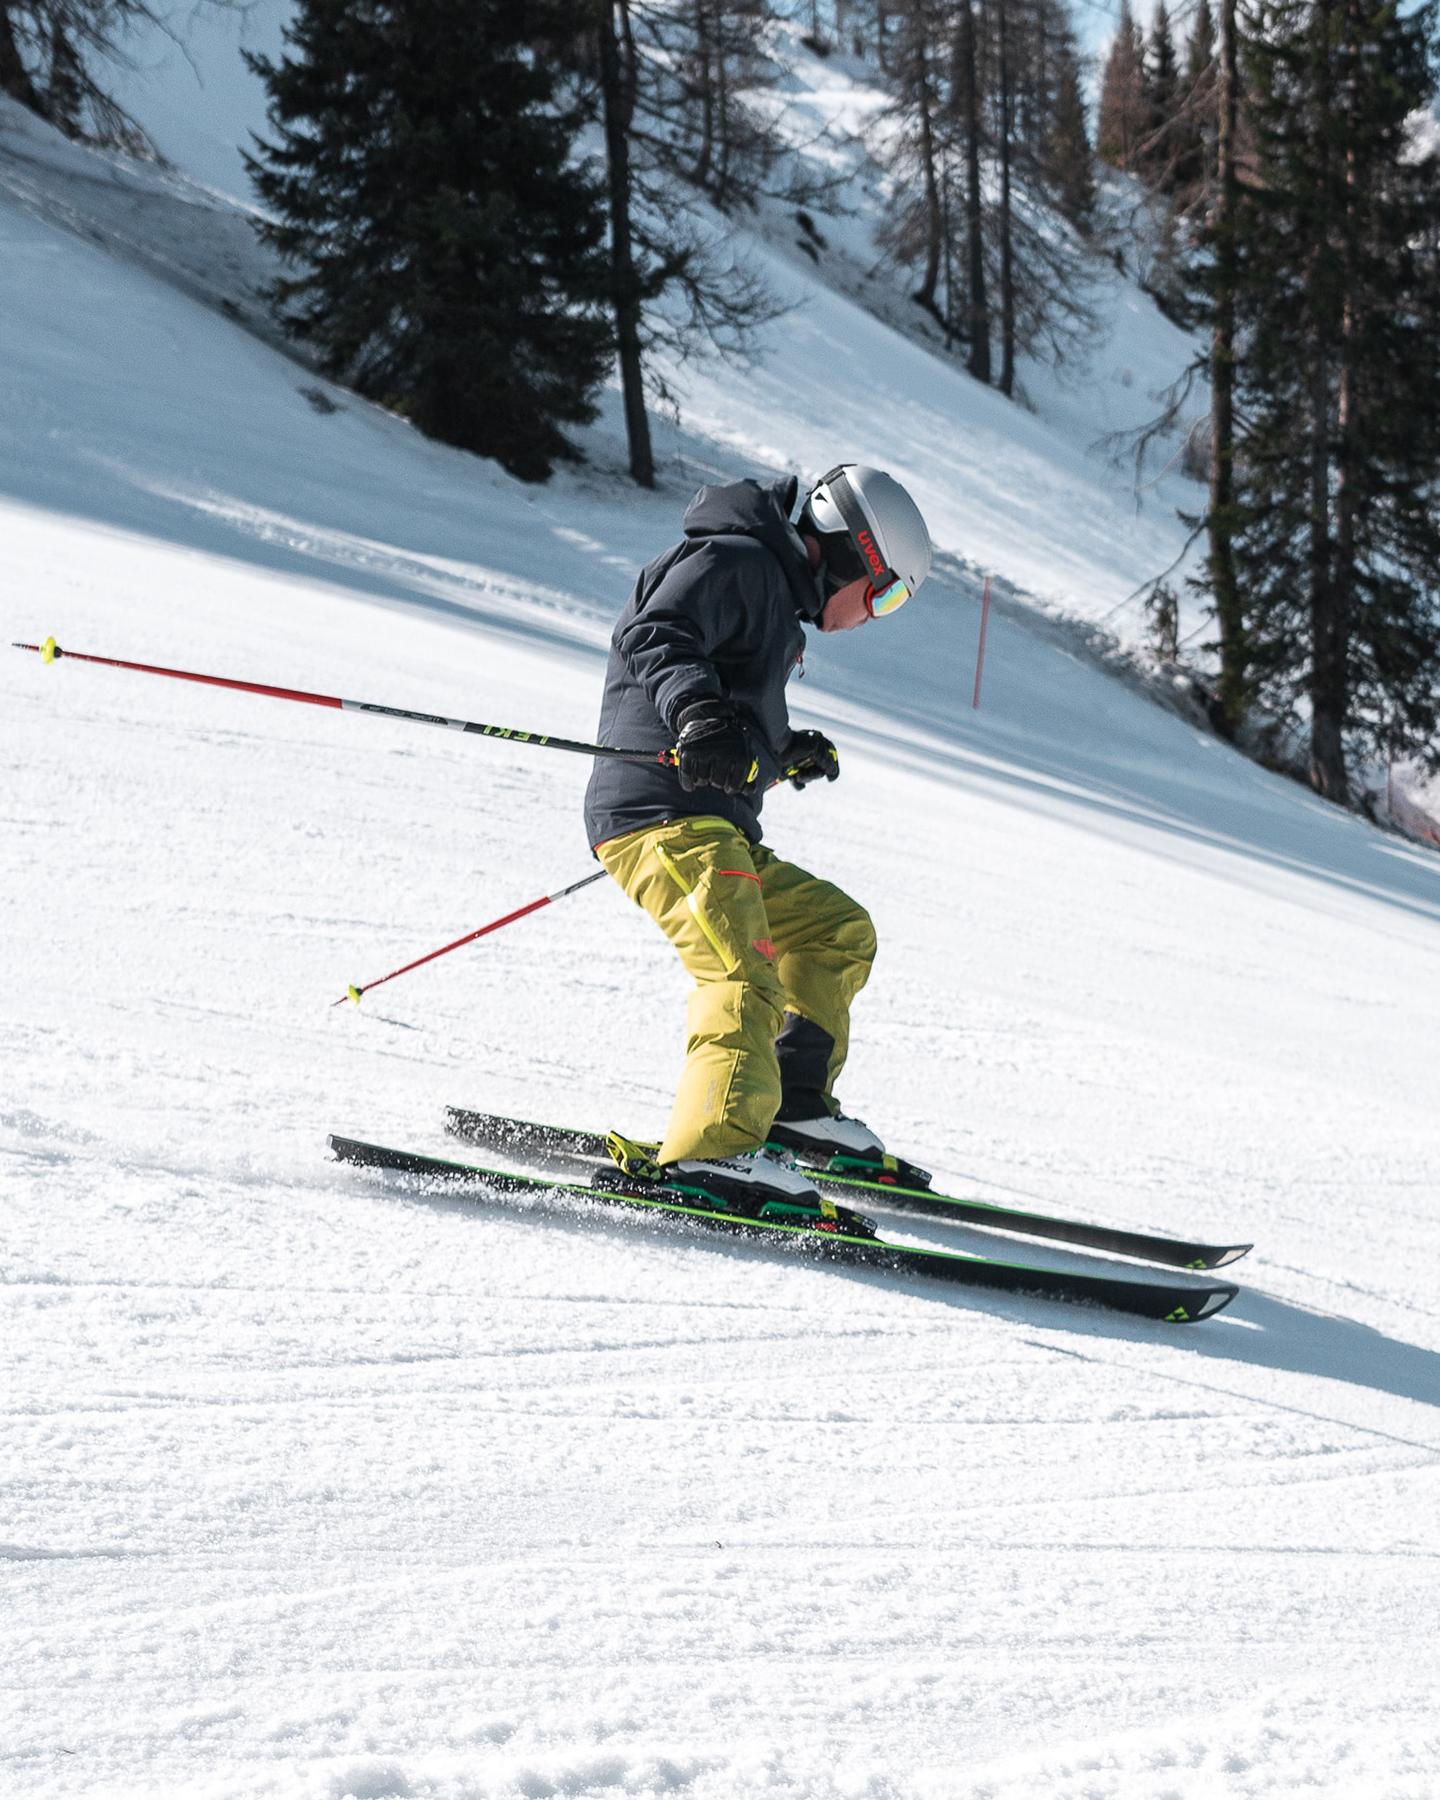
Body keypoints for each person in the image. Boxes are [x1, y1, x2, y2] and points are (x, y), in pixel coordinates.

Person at [583, 464, 932, 1208]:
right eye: (887, 591)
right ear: (851, 555)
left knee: (837, 930)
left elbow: (727, 708)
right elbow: (655, 633)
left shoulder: (770, 595)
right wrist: (699, 718)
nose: (879, 612)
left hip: (714, 824)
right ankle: (714, 1151)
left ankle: (795, 1112)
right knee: (743, 976)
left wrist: (780, 749)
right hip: (664, 817)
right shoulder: (738, 561)